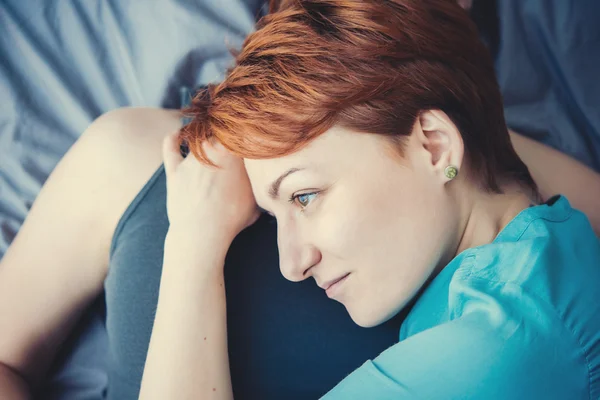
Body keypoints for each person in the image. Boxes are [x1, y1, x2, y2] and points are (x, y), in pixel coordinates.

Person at [0, 1, 599, 399]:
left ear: (437, 142)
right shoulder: (531, 226)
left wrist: (192, 245)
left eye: (307, 196)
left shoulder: (494, 349)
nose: (293, 264)